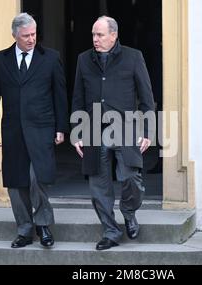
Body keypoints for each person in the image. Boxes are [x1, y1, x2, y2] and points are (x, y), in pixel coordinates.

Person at [0, 13, 68, 249]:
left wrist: (61, 127)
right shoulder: (0, 60)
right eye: (26, 36)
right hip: (12, 130)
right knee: (16, 182)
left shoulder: (51, 58)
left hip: (42, 128)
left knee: (36, 177)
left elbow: (59, 95)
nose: (31, 39)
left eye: (33, 34)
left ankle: (43, 225)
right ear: (15, 36)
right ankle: (24, 229)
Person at [71, 16, 155, 250]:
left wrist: (147, 131)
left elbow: (147, 98)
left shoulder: (133, 57)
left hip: (125, 127)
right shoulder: (84, 60)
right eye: (93, 35)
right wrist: (77, 132)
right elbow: (78, 96)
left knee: (131, 178)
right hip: (93, 129)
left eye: (99, 35)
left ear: (113, 35)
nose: (95, 39)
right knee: (98, 187)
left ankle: (128, 212)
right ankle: (110, 231)